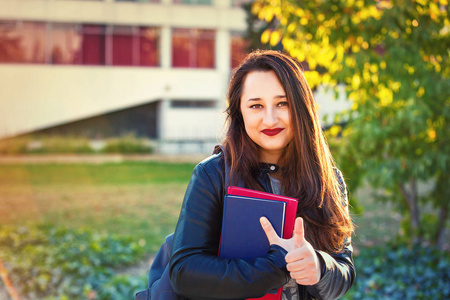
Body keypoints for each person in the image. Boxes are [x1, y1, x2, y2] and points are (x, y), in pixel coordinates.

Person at [168, 50, 355, 300]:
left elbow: (344, 270)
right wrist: (276, 264)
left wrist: (320, 267)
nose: (270, 118)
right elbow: (184, 272)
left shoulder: (328, 179)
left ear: (301, 108)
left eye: (283, 103)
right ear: (239, 112)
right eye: (256, 105)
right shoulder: (213, 175)